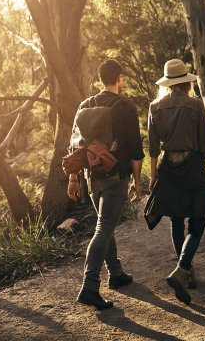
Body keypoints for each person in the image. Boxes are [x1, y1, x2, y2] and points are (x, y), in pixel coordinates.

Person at [147, 58, 205, 305]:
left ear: (167, 83)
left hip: (168, 168)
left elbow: (152, 148)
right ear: (185, 82)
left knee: (176, 220)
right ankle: (182, 270)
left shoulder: (155, 107)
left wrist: (153, 178)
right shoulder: (195, 105)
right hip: (193, 168)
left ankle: (186, 272)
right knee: (198, 220)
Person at [67, 59, 144, 310]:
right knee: (103, 228)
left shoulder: (85, 105)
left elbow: (75, 146)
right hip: (115, 177)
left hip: (92, 179)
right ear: (119, 78)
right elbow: (135, 148)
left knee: (105, 225)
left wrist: (73, 178)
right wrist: (136, 181)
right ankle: (89, 287)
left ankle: (117, 273)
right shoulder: (125, 107)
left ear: (100, 79)